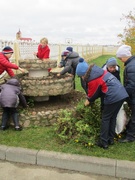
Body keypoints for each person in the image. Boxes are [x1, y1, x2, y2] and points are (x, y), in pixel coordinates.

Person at [76, 59, 129, 149]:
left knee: (105, 119)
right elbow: (101, 89)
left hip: (113, 96)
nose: (81, 78)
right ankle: (110, 139)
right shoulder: (99, 71)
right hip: (122, 94)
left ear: (84, 73)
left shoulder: (93, 79)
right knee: (112, 117)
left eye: (81, 76)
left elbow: (92, 95)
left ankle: (103, 142)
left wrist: (86, 103)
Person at [116, 44, 135, 143]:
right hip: (132, 95)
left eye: (120, 58)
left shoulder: (131, 66)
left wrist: (122, 95)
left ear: (124, 56)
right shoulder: (131, 64)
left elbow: (132, 85)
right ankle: (129, 131)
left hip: (133, 96)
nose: (120, 60)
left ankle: (130, 137)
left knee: (134, 117)